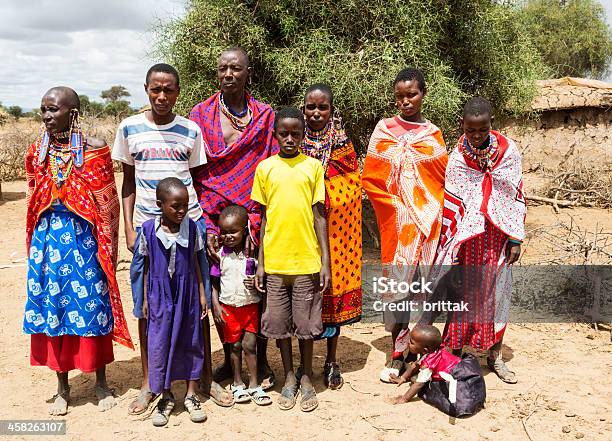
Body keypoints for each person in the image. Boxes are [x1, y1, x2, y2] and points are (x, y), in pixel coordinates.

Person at [111, 63, 224, 412]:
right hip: (148, 230)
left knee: (196, 305)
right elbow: (127, 182)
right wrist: (129, 228)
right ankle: (149, 383)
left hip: (188, 227)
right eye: (156, 89)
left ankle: (204, 378)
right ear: (146, 88)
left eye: (169, 90)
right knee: (149, 307)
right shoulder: (129, 128)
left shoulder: (190, 131)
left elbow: (198, 181)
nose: (162, 96)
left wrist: (204, 227)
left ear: (178, 91)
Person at [24, 86, 132, 416]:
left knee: (93, 308)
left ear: (72, 113)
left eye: (52, 109)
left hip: (86, 243)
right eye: (43, 109)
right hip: (48, 243)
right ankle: (62, 388)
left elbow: (108, 205)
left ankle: (100, 383)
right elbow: (33, 199)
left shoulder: (95, 150)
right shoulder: (36, 152)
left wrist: (106, 248)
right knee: (52, 309)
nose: (45, 115)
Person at [189, 47, 277, 393]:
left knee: (258, 288)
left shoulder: (264, 116)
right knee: (223, 289)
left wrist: (259, 219)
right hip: (214, 216)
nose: (229, 73)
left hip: (253, 214)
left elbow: (270, 166)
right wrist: (209, 225)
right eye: (223, 67)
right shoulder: (201, 113)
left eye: (236, 68)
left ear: (247, 73)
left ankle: (262, 357)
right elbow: (198, 170)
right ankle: (230, 357)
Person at [362, 68, 448, 382]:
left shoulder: (432, 134)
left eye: (411, 94)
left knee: (421, 292)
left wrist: (429, 211)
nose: (405, 101)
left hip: (427, 229)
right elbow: (371, 179)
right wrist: (397, 207)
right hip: (397, 229)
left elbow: (442, 179)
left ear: (423, 94)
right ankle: (397, 355)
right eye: (399, 96)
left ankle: (420, 356)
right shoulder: (383, 130)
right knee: (397, 292)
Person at [433, 97, 525, 383]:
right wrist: (455, 247)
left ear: (490, 124)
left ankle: (495, 355)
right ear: (462, 125)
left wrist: (514, 238)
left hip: (498, 235)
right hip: (469, 238)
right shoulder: (458, 158)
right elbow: (454, 202)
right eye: (471, 130)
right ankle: (455, 352)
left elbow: (514, 194)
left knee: (499, 293)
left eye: (482, 129)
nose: (476, 135)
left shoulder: (508, 151)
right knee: (464, 293)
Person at [251, 106, 331, 412]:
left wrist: (324, 261)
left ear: (303, 135)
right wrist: (260, 261)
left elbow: (319, 216)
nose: (288, 139)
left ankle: (307, 377)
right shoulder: (265, 168)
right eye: (283, 133)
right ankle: (288, 377)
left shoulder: (312, 168)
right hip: (274, 263)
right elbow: (264, 219)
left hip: (306, 263)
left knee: (305, 325)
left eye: (295, 134)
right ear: (275, 135)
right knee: (280, 326)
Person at [298, 83, 362, 389]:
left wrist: (321, 195)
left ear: (332, 111)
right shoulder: (294, 141)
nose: (316, 113)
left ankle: (332, 360)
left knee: (332, 301)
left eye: (322, 107)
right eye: (311, 107)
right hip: (299, 231)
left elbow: (351, 188)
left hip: (335, 235)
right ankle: (304, 364)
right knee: (302, 297)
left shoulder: (342, 145)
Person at [139, 178, 207, 426]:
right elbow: (146, 267)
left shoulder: (193, 228)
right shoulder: (148, 230)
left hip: (187, 292)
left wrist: (201, 294)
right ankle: (165, 397)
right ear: (160, 205)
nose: (181, 211)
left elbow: (199, 266)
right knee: (160, 343)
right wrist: (146, 297)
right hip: (159, 294)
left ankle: (191, 395)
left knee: (191, 340)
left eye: (185, 206)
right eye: (175, 206)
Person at [211, 205, 272, 406]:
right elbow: (214, 284)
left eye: (233, 231)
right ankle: (237, 383)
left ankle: (254, 384)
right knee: (234, 346)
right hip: (228, 308)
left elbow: (261, 277)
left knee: (250, 345)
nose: (228, 236)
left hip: (249, 307)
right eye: (224, 232)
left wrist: (254, 280)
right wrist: (216, 306)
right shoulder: (219, 255)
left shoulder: (252, 254)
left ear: (244, 229)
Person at [388, 326, 486, 417]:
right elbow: (415, 365)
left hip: (459, 376)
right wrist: (402, 378)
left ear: (425, 350)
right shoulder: (432, 351)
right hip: (460, 367)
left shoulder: (429, 364)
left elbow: (419, 384)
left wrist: (404, 398)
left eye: (412, 342)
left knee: (423, 385)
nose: (409, 343)